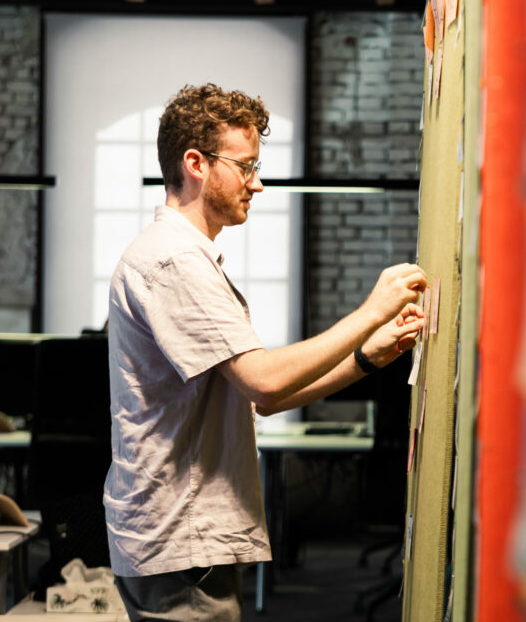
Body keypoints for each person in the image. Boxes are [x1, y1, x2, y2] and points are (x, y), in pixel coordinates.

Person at [103, 83, 427, 621]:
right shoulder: (172, 262)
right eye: (246, 165)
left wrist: (365, 359)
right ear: (196, 164)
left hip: (186, 543)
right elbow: (265, 380)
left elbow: (263, 401)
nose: (257, 182)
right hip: (181, 545)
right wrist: (371, 311)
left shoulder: (189, 259)